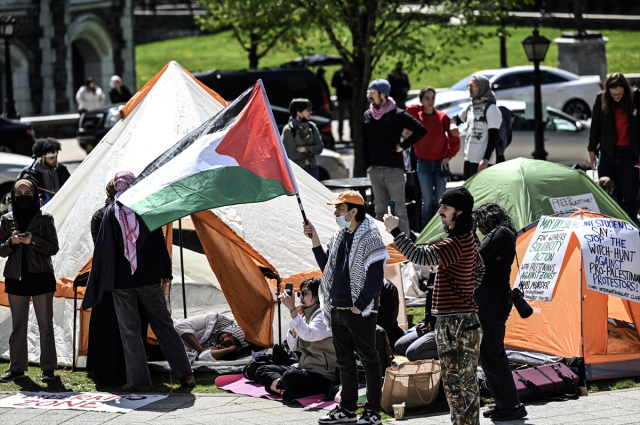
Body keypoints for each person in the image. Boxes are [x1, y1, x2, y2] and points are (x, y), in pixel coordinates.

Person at [84, 171, 195, 391]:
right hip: (148, 278)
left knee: (130, 332)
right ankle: (185, 375)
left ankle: (139, 381)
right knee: (163, 325)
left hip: (121, 282)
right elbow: (159, 242)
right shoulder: (146, 210)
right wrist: (165, 270)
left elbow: (102, 251)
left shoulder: (106, 215)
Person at [383, 186, 485, 425]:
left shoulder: (456, 243)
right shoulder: (464, 239)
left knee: (462, 383)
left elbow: (419, 256)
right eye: (440, 206)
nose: (439, 211)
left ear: (459, 212)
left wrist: (395, 230)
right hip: (454, 320)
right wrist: (469, 290)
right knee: (453, 382)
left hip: (456, 322)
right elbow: (480, 267)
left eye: (445, 207)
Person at [303, 190, 388, 425]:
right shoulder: (340, 236)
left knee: (369, 360)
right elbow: (327, 268)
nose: (335, 213)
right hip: (337, 309)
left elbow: (375, 279)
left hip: (358, 311)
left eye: (339, 209)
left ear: (353, 211)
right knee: (345, 362)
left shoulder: (370, 237)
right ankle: (348, 410)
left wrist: (359, 307)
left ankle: (372, 411)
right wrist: (315, 239)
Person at [0, 179, 59, 382]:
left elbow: (53, 247)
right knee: (19, 325)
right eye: (19, 192)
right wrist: (12, 241)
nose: (23, 195)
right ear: (13, 196)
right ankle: (16, 367)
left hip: (42, 277)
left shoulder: (46, 218)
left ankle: (48, 368)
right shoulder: (6, 219)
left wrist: (32, 240)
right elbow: (1, 249)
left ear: (35, 194)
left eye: (27, 191)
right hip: (16, 277)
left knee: (45, 325)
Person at [473, 203, 527, 421]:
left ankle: (512, 405)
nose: (477, 225)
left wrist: (468, 235)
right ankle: (503, 403)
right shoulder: (497, 234)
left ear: (491, 217)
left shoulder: (501, 233)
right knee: (488, 356)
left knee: (493, 355)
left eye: (480, 220)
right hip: (489, 301)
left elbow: (476, 257)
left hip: (493, 303)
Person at [255, 278, 339, 402]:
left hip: (323, 374)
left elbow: (309, 335)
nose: (300, 297)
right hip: (304, 368)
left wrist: (292, 309)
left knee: (290, 376)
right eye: (299, 293)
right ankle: (285, 390)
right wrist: (296, 318)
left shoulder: (325, 315)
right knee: (261, 369)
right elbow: (292, 347)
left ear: (318, 295)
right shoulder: (304, 315)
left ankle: (284, 387)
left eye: (304, 293)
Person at [362, 78, 427, 236]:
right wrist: (367, 165)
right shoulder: (368, 115)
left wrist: (403, 146)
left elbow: (421, 129)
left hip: (394, 170)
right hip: (375, 170)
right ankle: (380, 247)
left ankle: (405, 252)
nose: (370, 95)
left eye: (373, 92)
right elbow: (363, 142)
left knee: (399, 211)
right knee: (379, 211)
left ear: (382, 95)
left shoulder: (397, 114)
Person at [588, 72, 640, 224]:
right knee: (608, 196)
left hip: (630, 154)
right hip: (608, 154)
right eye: (613, 94)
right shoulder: (601, 99)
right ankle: (611, 229)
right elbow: (595, 127)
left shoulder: (636, 99)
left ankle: (631, 228)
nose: (616, 97)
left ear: (626, 90)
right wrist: (592, 152)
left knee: (630, 196)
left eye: (620, 94)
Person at [407, 87, 461, 226]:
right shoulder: (417, 117)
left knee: (440, 201)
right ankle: (426, 232)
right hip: (423, 164)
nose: (430, 101)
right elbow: (408, 110)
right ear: (421, 101)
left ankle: (441, 230)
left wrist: (449, 156)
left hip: (440, 164)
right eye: (427, 98)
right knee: (427, 201)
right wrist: (421, 106)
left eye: (432, 98)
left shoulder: (442, 117)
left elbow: (454, 138)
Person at [449, 74, 502, 180]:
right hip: (469, 159)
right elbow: (455, 119)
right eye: (469, 85)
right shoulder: (470, 106)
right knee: (468, 194)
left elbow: (493, 137)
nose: (470, 87)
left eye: (474, 85)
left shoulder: (491, 109)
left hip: (483, 161)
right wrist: (453, 125)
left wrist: (486, 159)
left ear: (482, 87)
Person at [174, 312, 253, 364]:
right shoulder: (213, 319)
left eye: (230, 343)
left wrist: (230, 349)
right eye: (228, 335)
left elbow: (203, 357)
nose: (225, 340)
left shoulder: (224, 346)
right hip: (170, 332)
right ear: (228, 330)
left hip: (175, 348)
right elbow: (180, 327)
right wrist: (201, 349)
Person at [18, 138, 70, 205]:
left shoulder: (62, 171)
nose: (55, 160)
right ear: (42, 157)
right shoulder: (30, 175)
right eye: (51, 158)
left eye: (56, 157)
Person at [282, 98, 324, 180]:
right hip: (298, 170)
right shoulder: (288, 129)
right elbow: (291, 155)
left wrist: (305, 149)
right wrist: (311, 152)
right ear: (299, 112)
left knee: (313, 192)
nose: (310, 112)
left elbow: (319, 148)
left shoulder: (312, 126)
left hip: (313, 169)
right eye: (308, 109)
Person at [331, 63, 354, 143]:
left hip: (350, 97)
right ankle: (340, 135)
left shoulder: (351, 73)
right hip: (341, 98)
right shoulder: (338, 73)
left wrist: (350, 84)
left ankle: (353, 135)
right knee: (341, 117)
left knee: (352, 117)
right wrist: (341, 84)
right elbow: (333, 84)